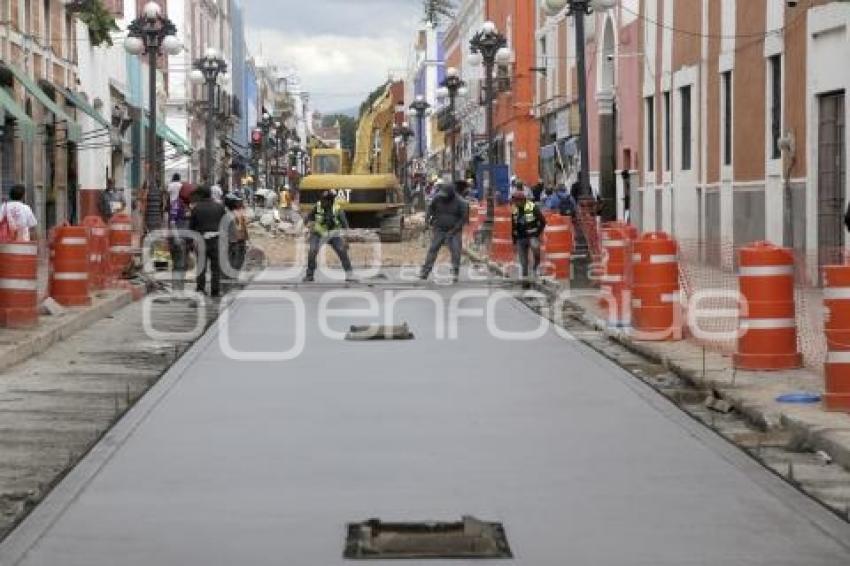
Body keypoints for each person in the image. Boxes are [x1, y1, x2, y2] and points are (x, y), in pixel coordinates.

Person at [420, 182, 468, 283]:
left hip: (454, 230)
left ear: (452, 194)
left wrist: (453, 231)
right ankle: (425, 271)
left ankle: (455, 271)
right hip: (439, 229)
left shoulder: (461, 202)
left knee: (456, 250)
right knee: (433, 248)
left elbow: (463, 219)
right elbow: (430, 209)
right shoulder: (438, 198)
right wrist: (427, 220)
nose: (443, 197)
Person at [304, 190, 354, 282]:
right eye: (322, 200)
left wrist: (346, 239)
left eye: (325, 201)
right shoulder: (318, 206)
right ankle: (309, 275)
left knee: (342, 250)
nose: (322, 202)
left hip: (333, 234)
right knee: (312, 251)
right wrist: (306, 223)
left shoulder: (338, 209)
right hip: (318, 234)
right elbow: (309, 217)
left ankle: (349, 274)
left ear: (330, 201)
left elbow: (345, 225)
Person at [189, 185, 226, 297]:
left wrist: (191, 243)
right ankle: (215, 291)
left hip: (201, 240)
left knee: (201, 267)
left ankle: (201, 289)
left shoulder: (196, 208)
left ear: (201, 195)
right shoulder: (219, 207)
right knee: (216, 268)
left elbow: (192, 227)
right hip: (216, 240)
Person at [511, 189, 546, 287]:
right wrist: (514, 241)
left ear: (522, 200)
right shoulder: (514, 209)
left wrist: (537, 233)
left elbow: (543, 221)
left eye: (517, 201)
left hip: (532, 237)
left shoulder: (532, 207)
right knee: (524, 262)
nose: (515, 203)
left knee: (537, 255)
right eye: (514, 201)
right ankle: (526, 282)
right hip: (520, 239)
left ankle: (535, 270)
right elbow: (513, 226)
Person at [168, 181, 193, 292]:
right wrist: (177, 238)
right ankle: (176, 290)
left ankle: (180, 289)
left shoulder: (187, 205)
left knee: (184, 265)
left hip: (186, 240)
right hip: (178, 240)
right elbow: (172, 222)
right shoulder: (176, 204)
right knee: (178, 265)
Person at [225, 193, 249, 278]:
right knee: (237, 259)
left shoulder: (229, 214)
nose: (238, 204)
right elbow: (244, 227)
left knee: (235, 259)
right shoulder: (237, 213)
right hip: (237, 240)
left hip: (234, 241)